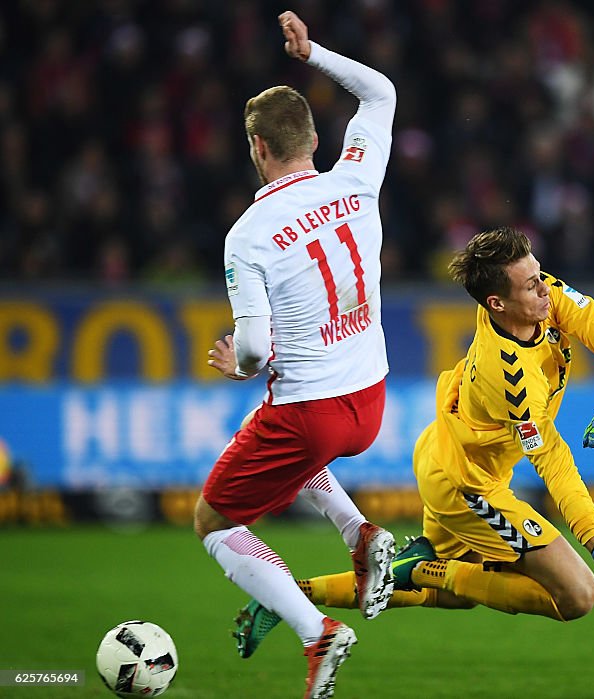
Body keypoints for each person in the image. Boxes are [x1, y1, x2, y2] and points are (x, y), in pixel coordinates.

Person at [234, 226, 594, 656]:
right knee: (577, 595)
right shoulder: (512, 381)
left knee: (455, 593)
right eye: (532, 284)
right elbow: (555, 466)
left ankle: (291, 595)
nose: (546, 289)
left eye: (540, 275)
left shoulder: (538, 300)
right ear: (497, 304)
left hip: (446, 454)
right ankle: (424, 568)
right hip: (466, 486)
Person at [194, 11, 398, 699]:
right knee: (281, 421)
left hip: (310, 411)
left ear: (257, 148)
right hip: (369, 397)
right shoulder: (355, 181)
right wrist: (314, 53)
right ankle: (359, 530)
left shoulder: (247, 235)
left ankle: (317, 631)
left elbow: (253, 346)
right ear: (313, 137)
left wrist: (241, 364)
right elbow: (381, 94)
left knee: (214, 519)